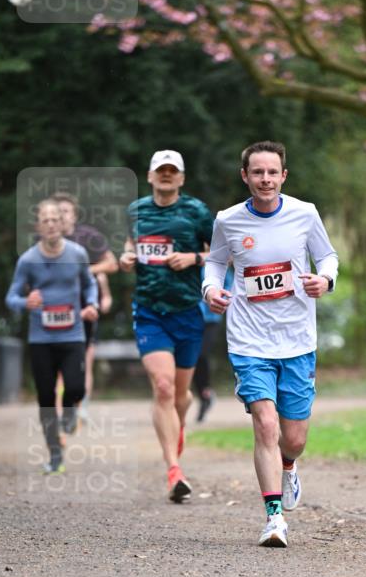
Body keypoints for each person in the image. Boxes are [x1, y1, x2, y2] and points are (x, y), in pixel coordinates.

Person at [203, 140, 338, 548]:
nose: (265, 179)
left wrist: (325, 280)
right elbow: (215, 262)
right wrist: (210, 287)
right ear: (245, 176)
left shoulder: (305, 214)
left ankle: (289, 465)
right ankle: (274, 517)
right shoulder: (228, 220)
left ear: (283, 176)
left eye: (272, 172)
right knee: (265, 423)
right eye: (257, 172)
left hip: (296, 339)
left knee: (293, 437)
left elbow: (327, 257)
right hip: (248, 339)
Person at [120, 150, 214, 502]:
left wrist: (193, 258)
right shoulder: (136, 210)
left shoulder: (197, 211)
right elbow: (130, 246)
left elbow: (224, 253)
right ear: (150, 175)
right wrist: (126, 257)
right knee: (162, 386)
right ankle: (174, 471)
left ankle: (179, 421)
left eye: (173, 171)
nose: (167, 175)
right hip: (149, 310)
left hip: (187, 311)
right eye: (161, 170)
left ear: (182, 179)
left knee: (180, 395)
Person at [5, 199, 99, 473]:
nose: (50, 224)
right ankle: (54, 454)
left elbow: (89, 284)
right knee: (45, 397)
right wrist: (26, 302)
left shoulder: (78, 253)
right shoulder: (28, 260)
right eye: (44, 220)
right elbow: (11, 297)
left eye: (54, 219)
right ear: (38, 226)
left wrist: (91, 305)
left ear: (63, 223)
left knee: (76, 388)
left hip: (72, 335)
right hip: (41, 339)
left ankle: (69, 412)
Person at [51, 193, 118, 424]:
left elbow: (111, 263)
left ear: (75, 214)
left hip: (86, 308)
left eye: (66, 211)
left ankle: (81, 407)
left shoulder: (88, 237)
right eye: (57, 212)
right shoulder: (45, 241)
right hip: (56, 310)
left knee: (83, 360)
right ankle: (63, 409)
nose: (61, 216)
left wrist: (84, 272)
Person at [193, 266, 234, 422]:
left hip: (211, 319)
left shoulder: (220, 267)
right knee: (192, 358)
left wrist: (219, 297)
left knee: (201, 354)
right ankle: (204, 393)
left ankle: (205, 392)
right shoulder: (193, 265)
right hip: (192, 317)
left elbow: (231, 289)